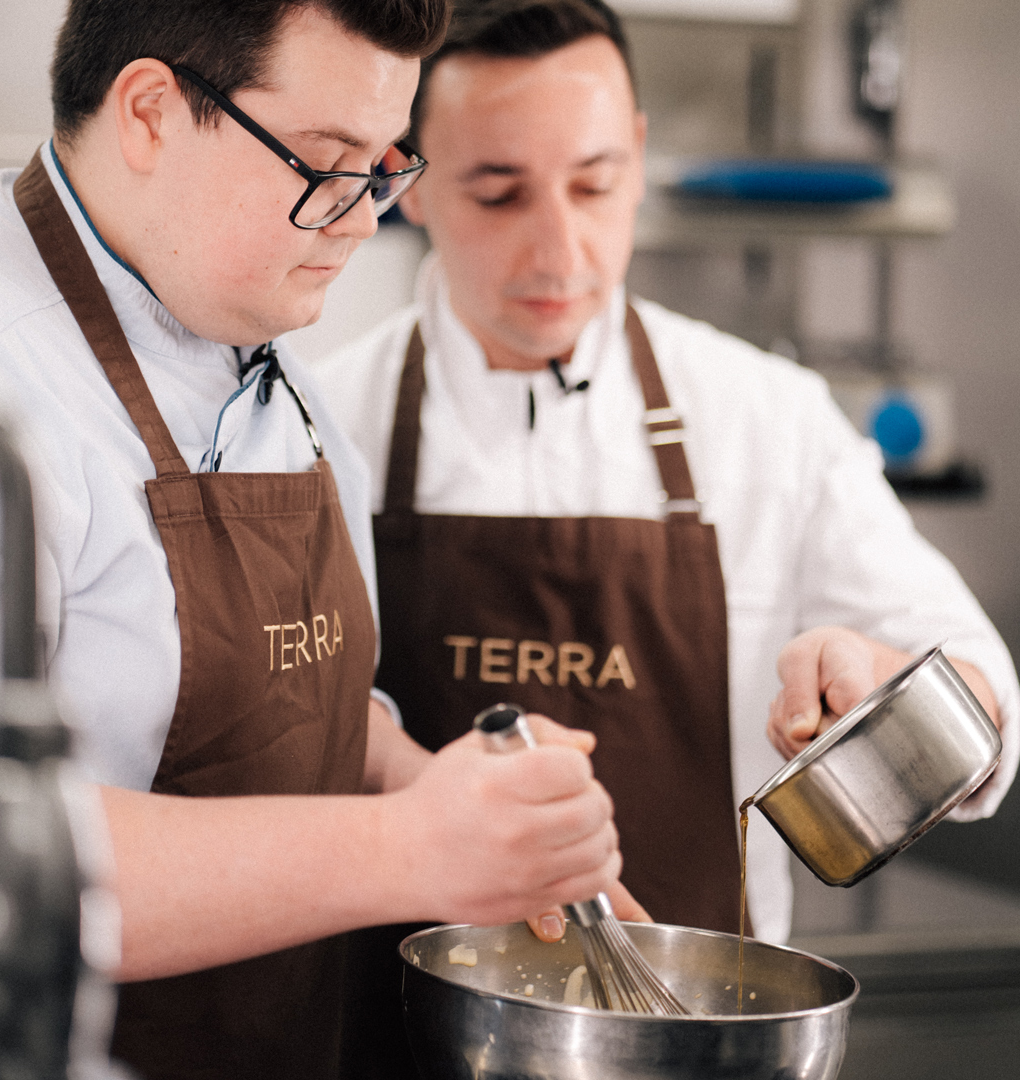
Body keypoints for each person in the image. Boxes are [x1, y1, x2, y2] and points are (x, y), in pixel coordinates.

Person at [311, 0, 1020, 1067]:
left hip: (695, 1043)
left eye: (594, 184)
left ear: (639, 156)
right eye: (498, 191)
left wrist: (879, 682)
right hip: (401, 1040)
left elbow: (985, 709)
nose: (558, 246)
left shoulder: (767, 419)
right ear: (408, 182)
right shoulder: (322, 422)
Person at [0, 2, 631, 1078]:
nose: (362, 222)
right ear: (153, 114)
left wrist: (452, 790)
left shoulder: (274, 372)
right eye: (324, 164)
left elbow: (293, 711)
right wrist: (412, 851)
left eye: (384, 165)